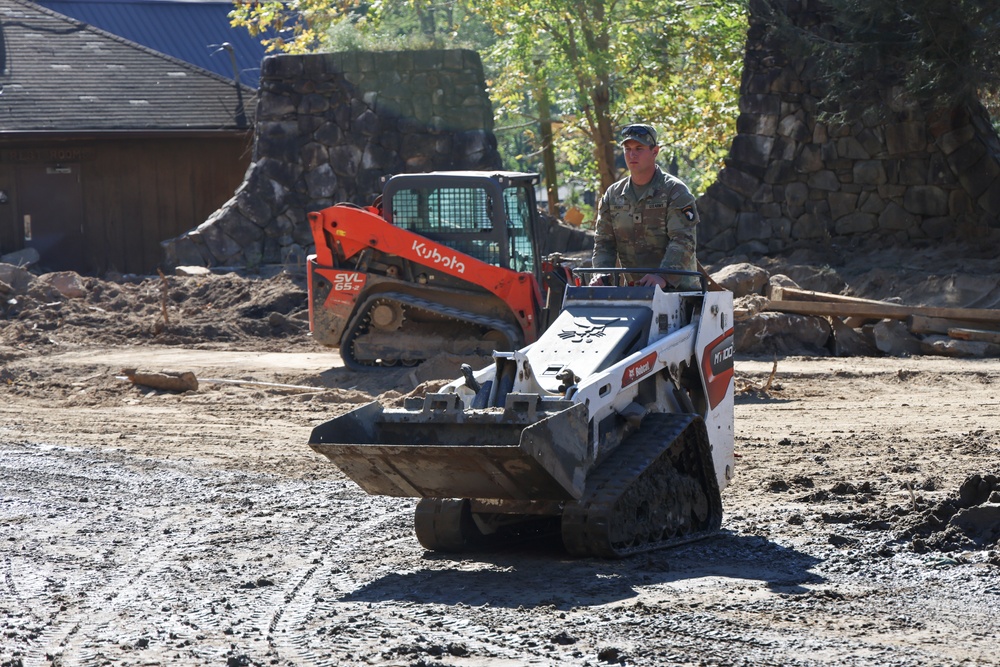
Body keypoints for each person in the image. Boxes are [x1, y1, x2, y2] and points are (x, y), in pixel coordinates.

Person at [591, 123, 700, 289]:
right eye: (628, 149)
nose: (632, 154)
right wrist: (602, 275)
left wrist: (663, 277)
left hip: (679, 293)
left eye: (639, 148)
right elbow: (604, 243)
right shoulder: (612, 195)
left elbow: (683, 240)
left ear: (655, 151)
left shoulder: (675, 192)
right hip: (636, 292)